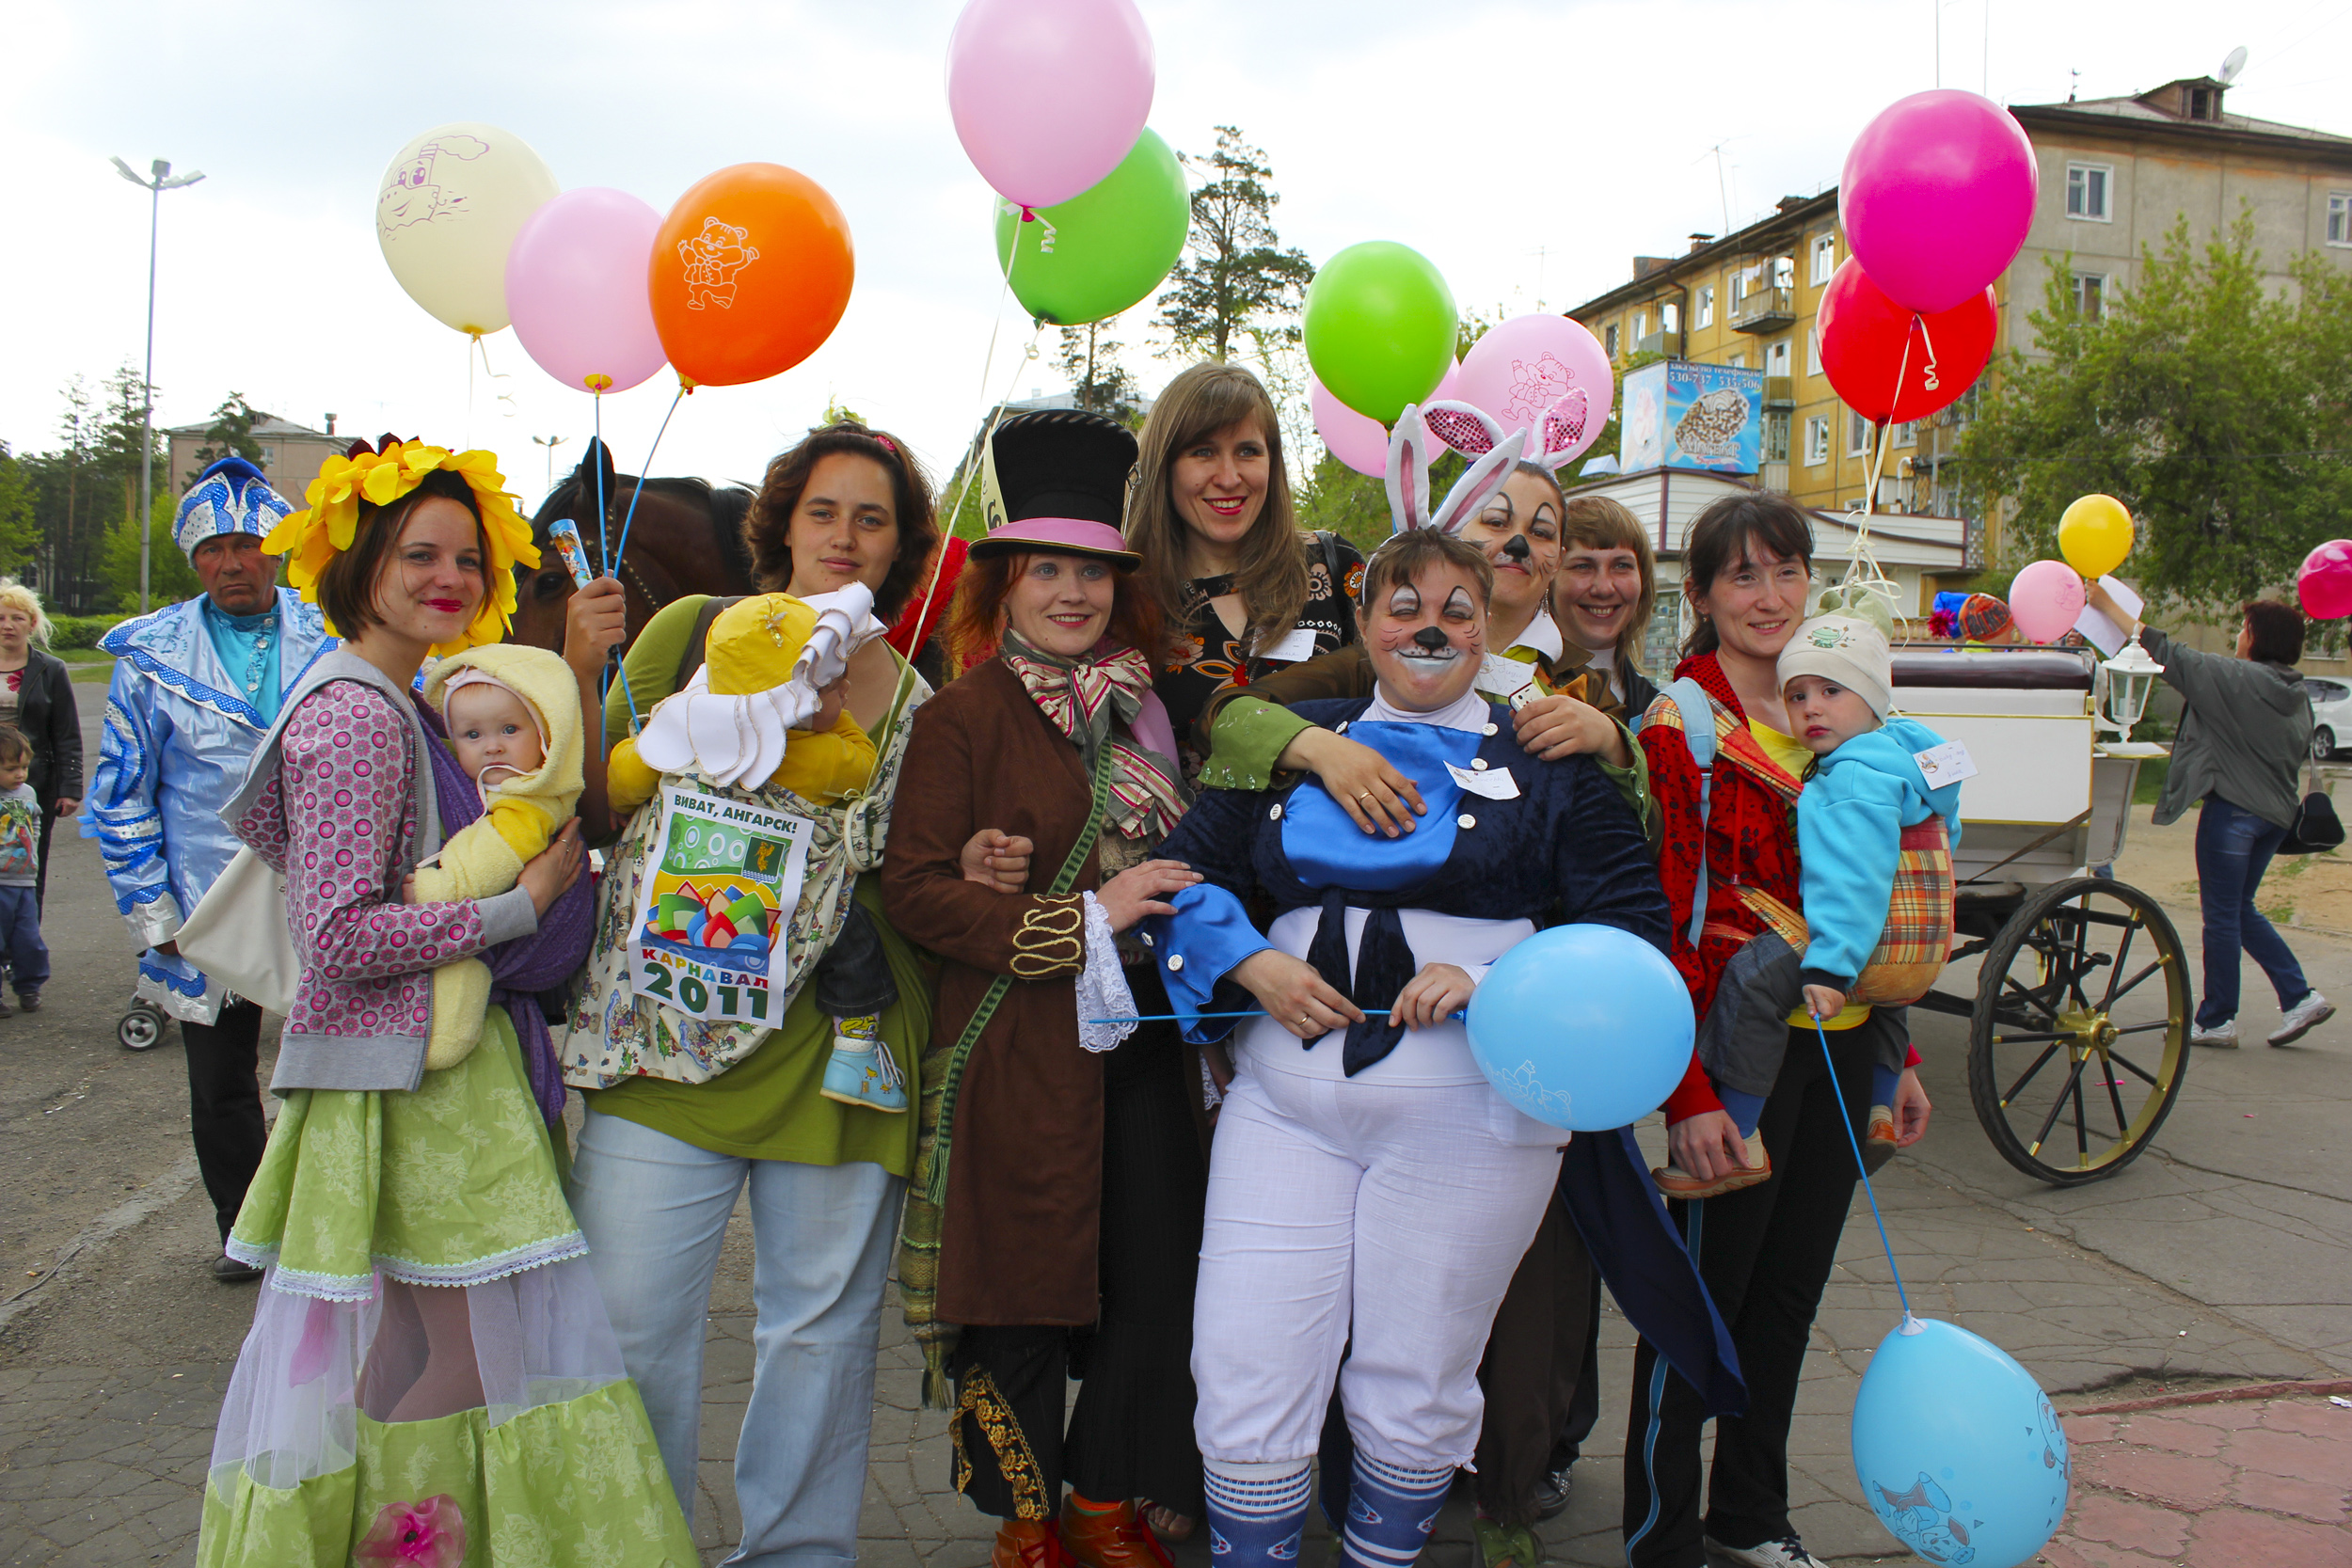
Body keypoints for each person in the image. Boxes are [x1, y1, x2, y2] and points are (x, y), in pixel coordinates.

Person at [1140, 424, 1727, 1568]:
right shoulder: (1292, 751)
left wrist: (1500, 977)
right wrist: (1250, 963)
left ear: (1487, 622)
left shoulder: (1551, 756)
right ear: (1364, 622)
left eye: (1457, 610)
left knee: (1415, 1372)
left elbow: (1628, 929)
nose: (1429, 629)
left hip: (1469, 1110)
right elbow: (1178, 881)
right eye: (1402, 605)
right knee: (1246, 1359)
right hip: (1286, 1101)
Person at [198, 436, 691, 1564]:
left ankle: (367, 1542)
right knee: (470, 1356)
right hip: (419, 1089)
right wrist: (518, 908)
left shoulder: (388, 695)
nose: (449, 578)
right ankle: (408, 1547)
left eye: (468, 558)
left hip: (405, 1079)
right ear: (358, 554)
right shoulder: (362, 715)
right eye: (418, 553)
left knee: (416, 1349)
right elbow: (337, 935)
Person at [559, 418, 947, 1566]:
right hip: (659, 1035)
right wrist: (583, 671)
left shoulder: (917, 692)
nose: (845, 535)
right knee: (627, 1324)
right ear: (780, 525)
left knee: (820, 1337)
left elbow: (910, 874)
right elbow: (593, 801)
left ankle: (798, 1553)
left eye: (872, 518)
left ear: (900, 546)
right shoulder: (690, 632)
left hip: (838, 1048)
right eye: (824, 510)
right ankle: (638, 1546)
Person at [883, 407, 1208, 1568]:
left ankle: (1103, 1498)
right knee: (1018, 1283)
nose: (1072, 593)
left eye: (1093, 573)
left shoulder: (1153, 707)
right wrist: (1077, 917)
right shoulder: (962, 716)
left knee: (1149, 1269)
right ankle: (1025, 1516)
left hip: (1150, 1042)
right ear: (1007, 582)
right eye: (1047, 570)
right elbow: (917, 892)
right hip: (1020, 1043)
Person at [1621, 493, 1934, 1568]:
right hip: (1735, 1049)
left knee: (1791, 1292)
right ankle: (1660, 1533)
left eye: (1786, 570)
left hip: (1845, 1043)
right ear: (1700, 596)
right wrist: (1690, 1095)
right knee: (1700, 1303)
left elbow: (1891, 900)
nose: (1768, 596)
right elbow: (1658, 916)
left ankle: (1750, 1512)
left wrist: (1903, 1056)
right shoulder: (1682, 727)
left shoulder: (1850, 722)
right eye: (1741, 575)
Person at [82, 457, 333, 1282]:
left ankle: (330, 1219)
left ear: (279, 551)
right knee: (221, 1081)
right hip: (205, 900)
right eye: (213, 549)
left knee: (331, 1069)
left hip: (326, 889)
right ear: (195, 560)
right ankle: (245, 1229)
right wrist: (152, 911)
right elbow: (122, 793)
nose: (232, 563)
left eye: (249, 545)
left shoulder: (333, 630)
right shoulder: (152, 657)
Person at [1657, 588, 1961, 1201]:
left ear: (1871, 697)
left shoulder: (1849, 775)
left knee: (1752, 981)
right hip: (1908, 928)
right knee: (1890, 991)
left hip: (1843, 941)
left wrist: (1829, 963)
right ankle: (1877, 1101)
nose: (1811, 709)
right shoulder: (1903, 747)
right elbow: (1946, 816)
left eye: (1831, 692)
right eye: (1798, 695)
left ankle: (1741, 1132)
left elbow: (1852, 880)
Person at [604, 585, 911, 1111]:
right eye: (833, 686)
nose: (846, 691)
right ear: (796, 703)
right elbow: (866, 763)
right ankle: (854, 1053)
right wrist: (831, 723)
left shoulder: (678, 736)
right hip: (781, 908)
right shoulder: (824, 759)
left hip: (689, 893)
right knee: (852, 943)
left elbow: (622, 783)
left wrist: (657, 735)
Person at [2090, 582, 2331, 1047]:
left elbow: (2165, 651)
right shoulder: (2295, 693)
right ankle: (2300, 997)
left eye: (2245, 628)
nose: (2239, 636)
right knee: (2240, 910)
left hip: (2234, 815)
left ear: (2259, 639)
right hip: (2275, 818)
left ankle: (2218, 1018)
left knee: (2221, 916)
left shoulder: (2239, 679)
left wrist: (2106, 607)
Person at [1127, 361, 1364, 783]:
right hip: (1185, 844)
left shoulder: (1333, 564)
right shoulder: (1130, 595)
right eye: (1203, 452)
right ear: (1165, 465)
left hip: (1328, 836)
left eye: (1248, 451)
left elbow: (1405, 681)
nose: (1229, 477)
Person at [410, 642, 584, 1077]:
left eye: (510, 729)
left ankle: (444, 1039)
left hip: (484, 923)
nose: (492, 747)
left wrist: (431, 890)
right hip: (500, 917)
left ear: (547, 734)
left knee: (461, 965)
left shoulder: (528, 803)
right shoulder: (505, 790)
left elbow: (485, 863)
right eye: (473, 735)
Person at [0, 580, 80, 912]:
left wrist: (70, 787)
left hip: (29, 783)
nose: (8, 625)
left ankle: (22, 944)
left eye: (17, 618)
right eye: (1, 617)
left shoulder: (50, 669)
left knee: (24, 865)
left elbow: (66, 733)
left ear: (32, 624)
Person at [0, 726, 49, 1012]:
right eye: (10, 769)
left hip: (24, 881)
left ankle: (29, 986)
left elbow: (36, 822)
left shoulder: (28, 793)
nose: (19, 774)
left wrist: (34, 850)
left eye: (24, 767)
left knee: (28, 940)